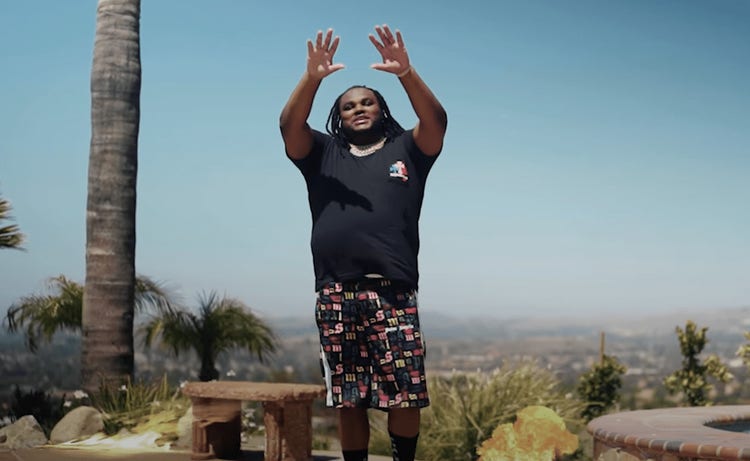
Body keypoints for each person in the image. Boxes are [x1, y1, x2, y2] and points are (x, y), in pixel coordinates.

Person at [279, 25, 447, 461]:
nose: (358, 108)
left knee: (405, 393)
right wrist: (312, 79)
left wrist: (406, 73)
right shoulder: (322, 153)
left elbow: (436, 122)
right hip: (336, 290)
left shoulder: (408, 149)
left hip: (391, 289)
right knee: (348, 397)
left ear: (382, 109)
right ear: (339, 117)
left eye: (367, 102)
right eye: (349, 105)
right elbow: (289, 126)